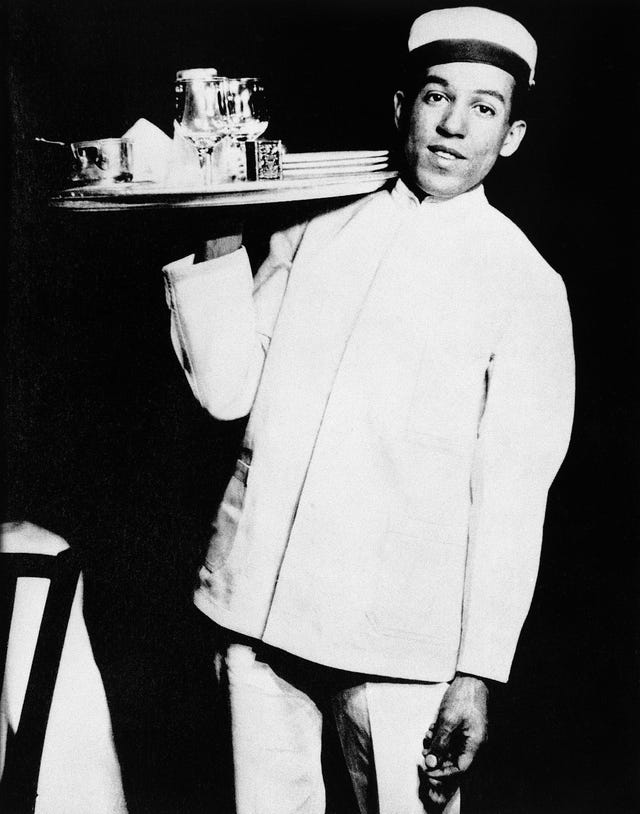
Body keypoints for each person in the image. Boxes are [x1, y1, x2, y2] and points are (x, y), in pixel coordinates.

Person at [163, 7, 575, 813]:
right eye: (435, 97)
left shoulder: (526, 284)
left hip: (401, 643)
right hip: (257, 613)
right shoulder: (318, 230)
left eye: (484, 108)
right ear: (401, 108)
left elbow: (513, 500)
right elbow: (225, 394)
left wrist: (478, 671)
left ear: (513, 135)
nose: (454, 126)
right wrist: (215, 236)